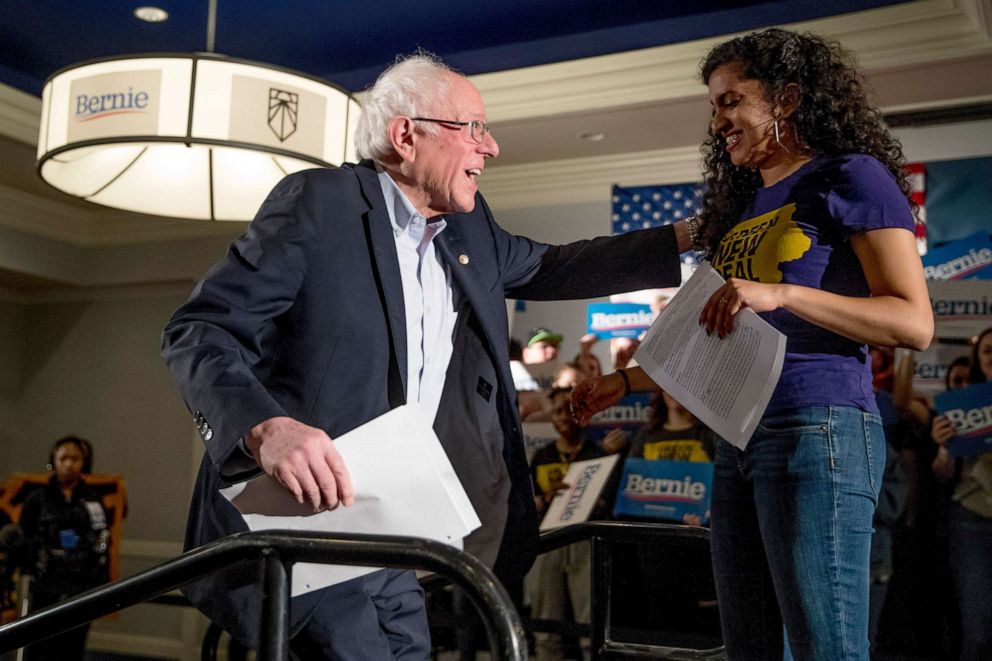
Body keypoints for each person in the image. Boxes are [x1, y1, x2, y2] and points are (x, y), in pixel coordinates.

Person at [161, 52, 692, 656]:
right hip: (306, 527)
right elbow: (199, 330)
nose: (489, 148)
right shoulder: (320, 203)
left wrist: (693, 236)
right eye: (473, 129)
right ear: (406, 135)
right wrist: (264, 429)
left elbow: (552, 265)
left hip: (395, 524)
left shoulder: (469, 231)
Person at [573, 28, 933, 661]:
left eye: (730, 102)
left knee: (826, 647)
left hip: (817, 430)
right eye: (714, 107)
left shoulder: (850, 175)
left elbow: (912, 323)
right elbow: (708, 330)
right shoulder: (744, 206)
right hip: (738, 438)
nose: (718, 122)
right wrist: (624, 383)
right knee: (750, 648)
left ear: (787, 100)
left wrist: (785, 295)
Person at [527, 387, 606, 661]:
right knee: (546, 628)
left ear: (579, 416)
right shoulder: (542, 456)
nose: (561, 417)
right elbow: (530, 501)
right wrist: (547, 497)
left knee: (590, 627)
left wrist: (592, 501)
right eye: (556, 411)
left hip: (584, 544)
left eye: (567, 411)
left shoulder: (596, 453)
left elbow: (607, 502)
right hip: (549, 542)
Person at [18, 436, 109, 661]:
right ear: (54, 461)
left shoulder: (93, 499)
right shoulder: (37, 499)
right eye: (63, 458)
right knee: (38, 645)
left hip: (80, 586)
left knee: (73, 647)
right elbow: (23, 539)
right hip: (44, 584)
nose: (69, 464)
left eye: (75, 458)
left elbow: (102, 541)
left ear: (84, 462)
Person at [931, 329, 992, 660]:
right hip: (973, 519)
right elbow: (941, 475)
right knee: (977, 628)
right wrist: (943, 448)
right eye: (987, 350)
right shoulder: (960, 405)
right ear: (977, 358)